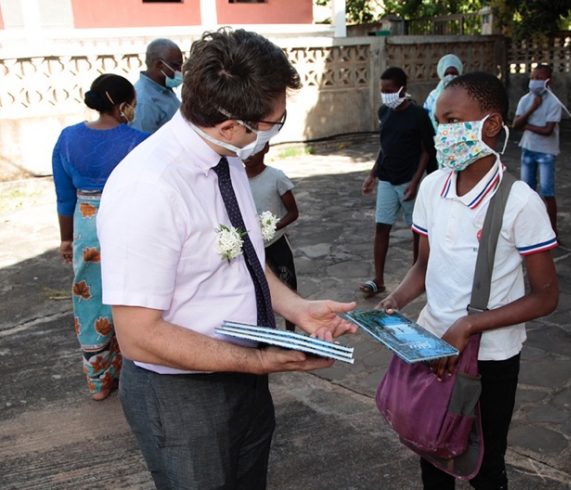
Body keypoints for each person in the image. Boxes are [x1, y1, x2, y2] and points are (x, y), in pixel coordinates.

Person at [97, 28, 357, 489]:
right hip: (184, 396)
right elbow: (138, 336)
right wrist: (260, 363)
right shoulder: (149, 188)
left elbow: (239, 259)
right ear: (231, 124)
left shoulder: (227, 159)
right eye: (274, 122)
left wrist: (297, 309)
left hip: (243, 374)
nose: (275, 131)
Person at [378, 72, 559, 489]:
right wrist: (395, 301)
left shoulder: (520, 202)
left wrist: (469, 324)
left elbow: (546, 296)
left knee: (483, 463)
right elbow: (423, 266)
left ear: (490, 125)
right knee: (430, 449)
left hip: (491, 358)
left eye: (452, 120)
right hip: (430, 347)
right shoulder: (431, 187)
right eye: (438, 121)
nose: (442, 133)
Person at [51, 74, 148, 401]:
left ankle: (98, 382)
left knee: (90, 297)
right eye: (132, 103)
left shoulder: (67, 138)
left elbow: (64, 198)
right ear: (123, 105)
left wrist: (66, 240)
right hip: (129, 224)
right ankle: (136, 368)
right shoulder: (140, 141)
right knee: (133, 292)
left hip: (87, 227)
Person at [360, 67, 435, 298]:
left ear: (402, 89)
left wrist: (415, 182)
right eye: (383, 90)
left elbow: (426, 151)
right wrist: (373, 174)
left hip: (408, 181)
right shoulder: (385, 112)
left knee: (417, 231)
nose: (386, 94)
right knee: (382, 227)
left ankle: (417, 275)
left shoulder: (419, 115)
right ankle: (379, 280)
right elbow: (385, 147)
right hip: (387, 179)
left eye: (390, 90)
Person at [244, 143, 299, 331]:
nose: (248, 154)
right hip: (252, 245)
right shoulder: (237, 179)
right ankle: (267, 333)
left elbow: (293, 212)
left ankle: (291, 334)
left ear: (266, 148)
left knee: (287, 286)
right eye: (245, 150)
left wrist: (273, 227)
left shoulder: (276, 178)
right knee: (258, 291)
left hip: (276, 244)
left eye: (254, 149)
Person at [511, 64, 562, 238]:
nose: (535, 81)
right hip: (528, 148)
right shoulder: (525, 100)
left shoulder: (554, 103)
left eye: (539, 78)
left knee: (547, 192)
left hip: (546, 152)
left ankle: (553, 231)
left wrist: (527, 125)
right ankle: (529, 231)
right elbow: (516, 124)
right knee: (527, 192)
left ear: (549, 81)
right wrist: (532, 108)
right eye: (533, 77)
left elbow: (548, 130)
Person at [130, 38, 183, 133]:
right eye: (176, 65)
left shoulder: (164, 88)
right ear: (159, 65)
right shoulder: (144, 101)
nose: (180, 71)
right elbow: (143, 143)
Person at [423, 53, 463, 131]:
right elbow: (426, 117)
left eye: (454, 73)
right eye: (447, 74)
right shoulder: (433, 96)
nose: (450, 76)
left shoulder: (466, 94)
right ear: (442, 75)